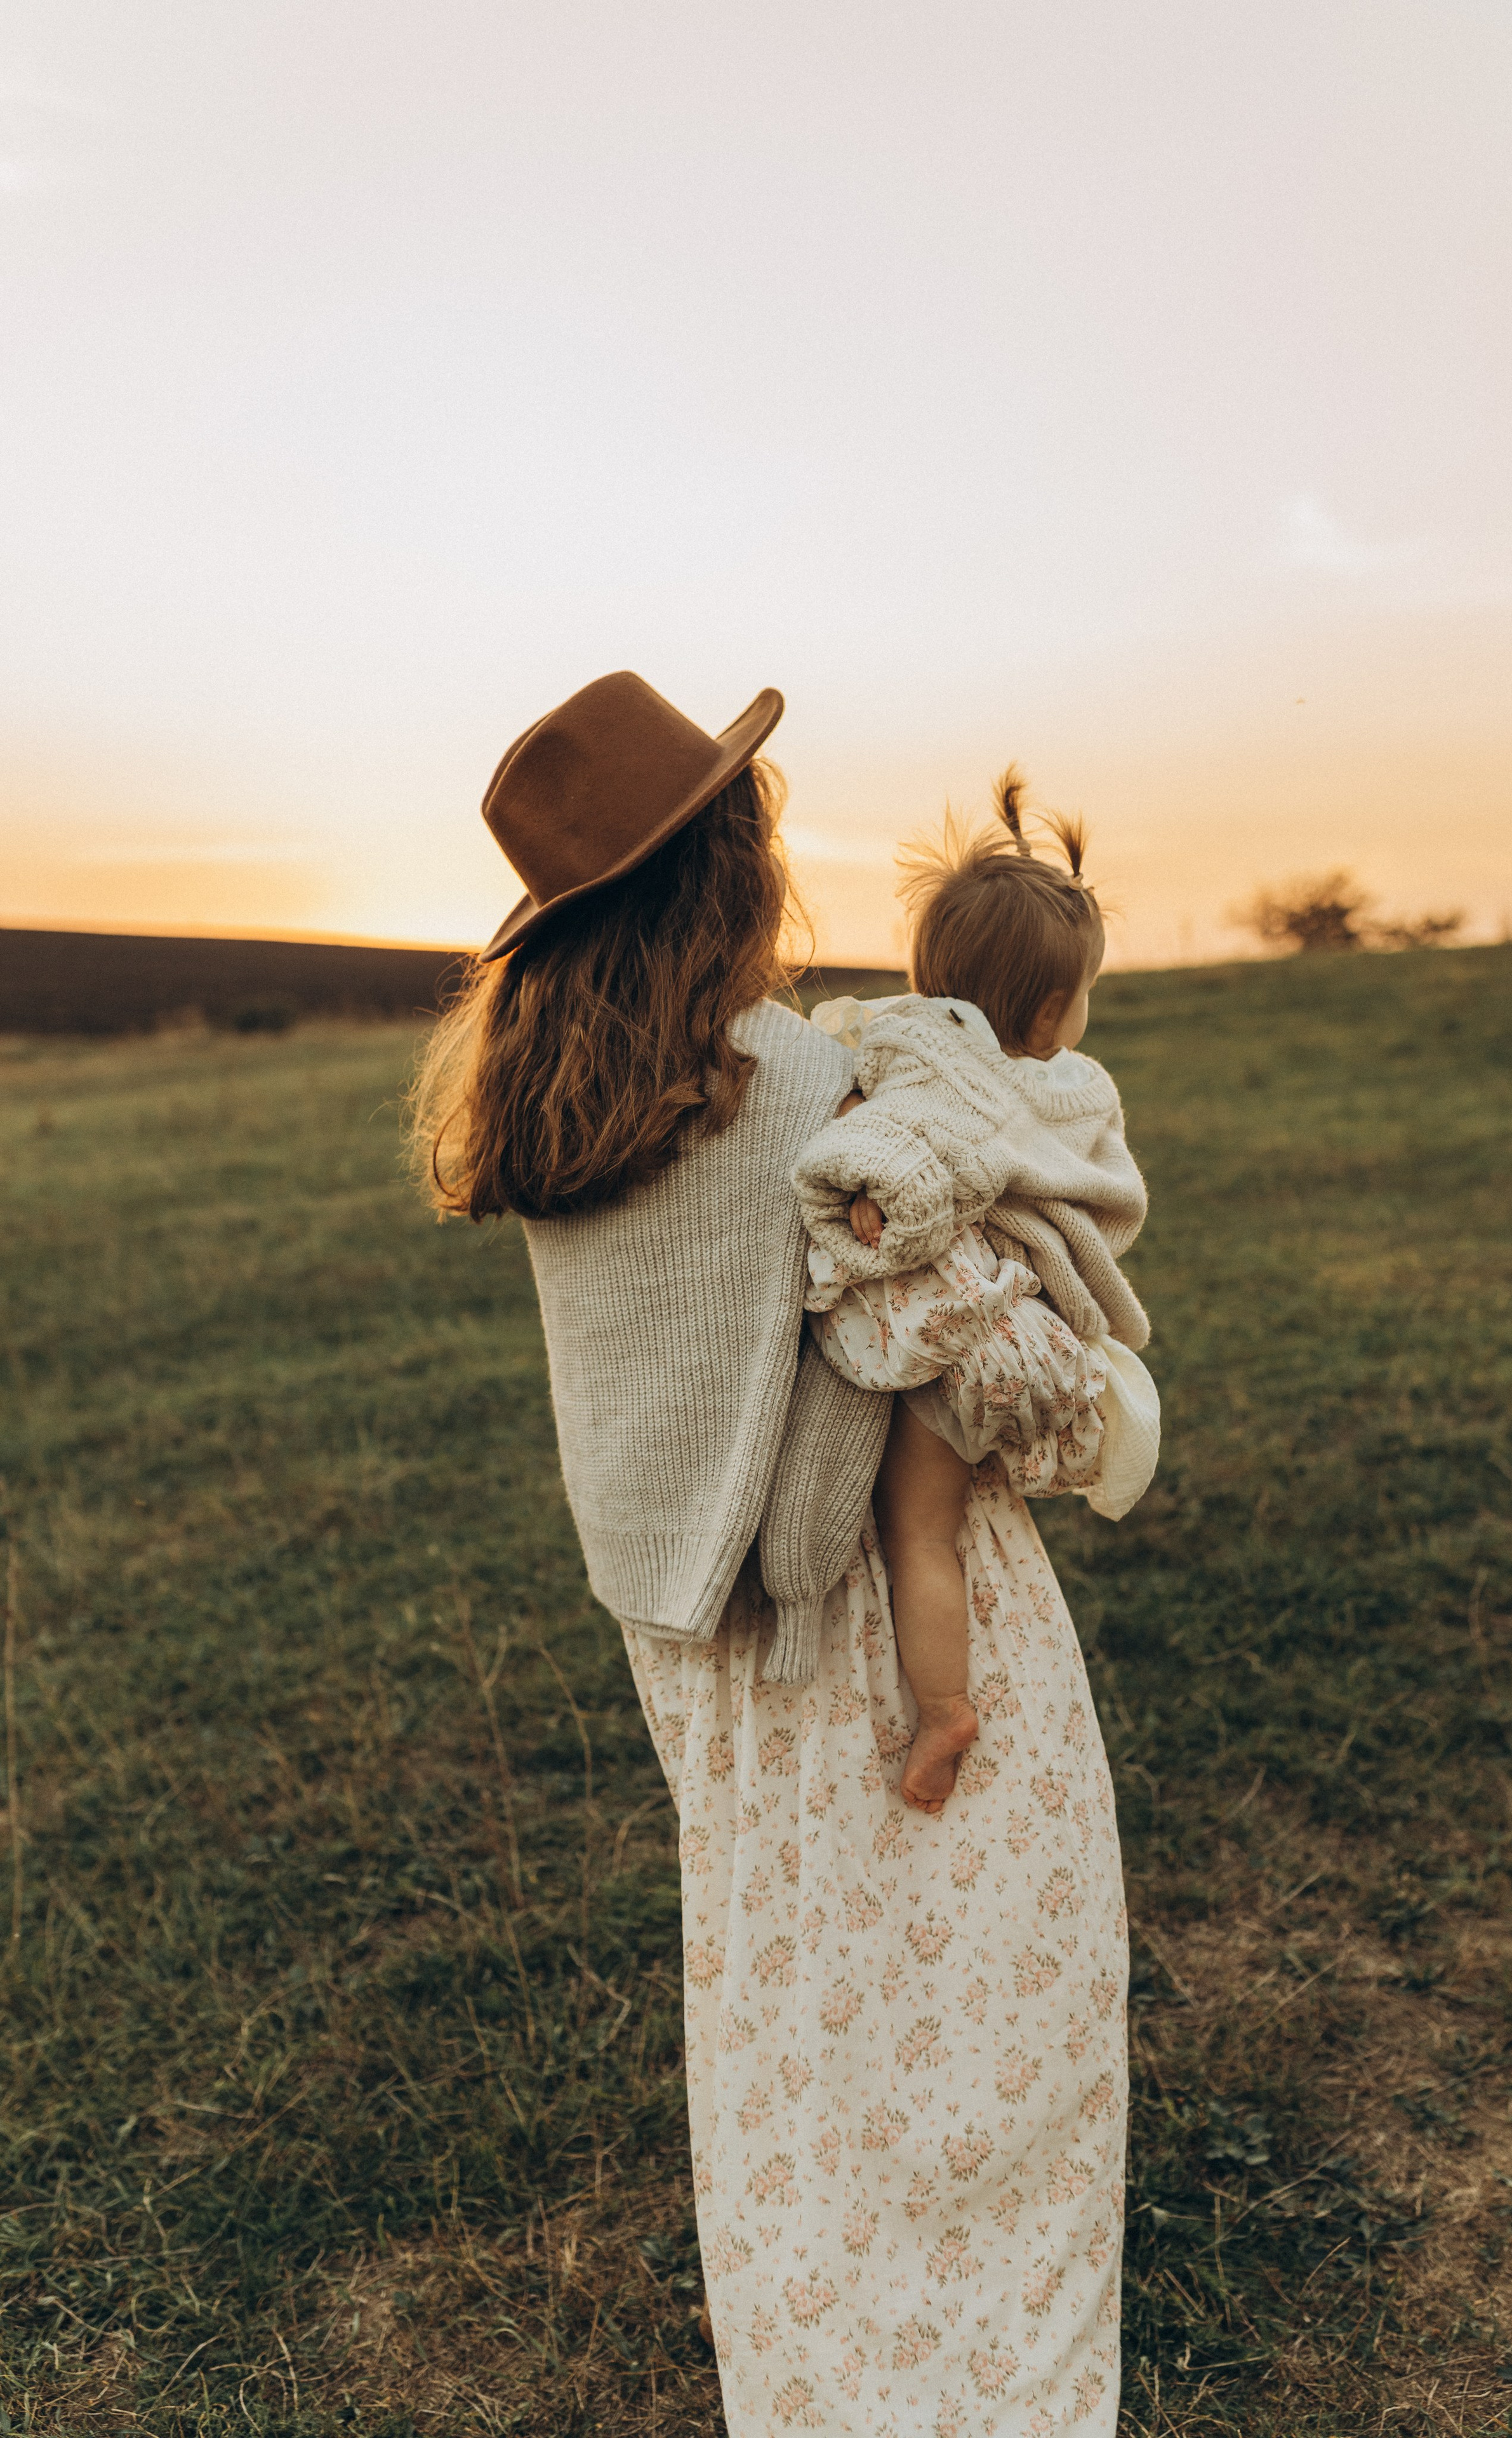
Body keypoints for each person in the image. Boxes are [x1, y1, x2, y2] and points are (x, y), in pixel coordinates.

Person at [411, 673, 1131, 2437]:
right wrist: (1104, 1398)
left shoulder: (557, 1116)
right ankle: (995, 2391)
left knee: (799, 2058)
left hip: (701, 1664)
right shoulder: (811, 1086)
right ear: (731, 869)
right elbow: (985, 1371)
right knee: (996, 2035)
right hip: (878, 1628)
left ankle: (827, 2387)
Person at [791, 772, 1160, 1812]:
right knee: (940, 1526)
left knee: (916, 1537)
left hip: (947, 1336)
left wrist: (877, 1189)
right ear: (1053, 1009)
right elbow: (1094, 1201)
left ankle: (942, 1705)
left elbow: (896, 1148)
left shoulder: (924, 1062)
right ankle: (949, 1699)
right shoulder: (1065, 1089)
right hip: (1024, 1335)